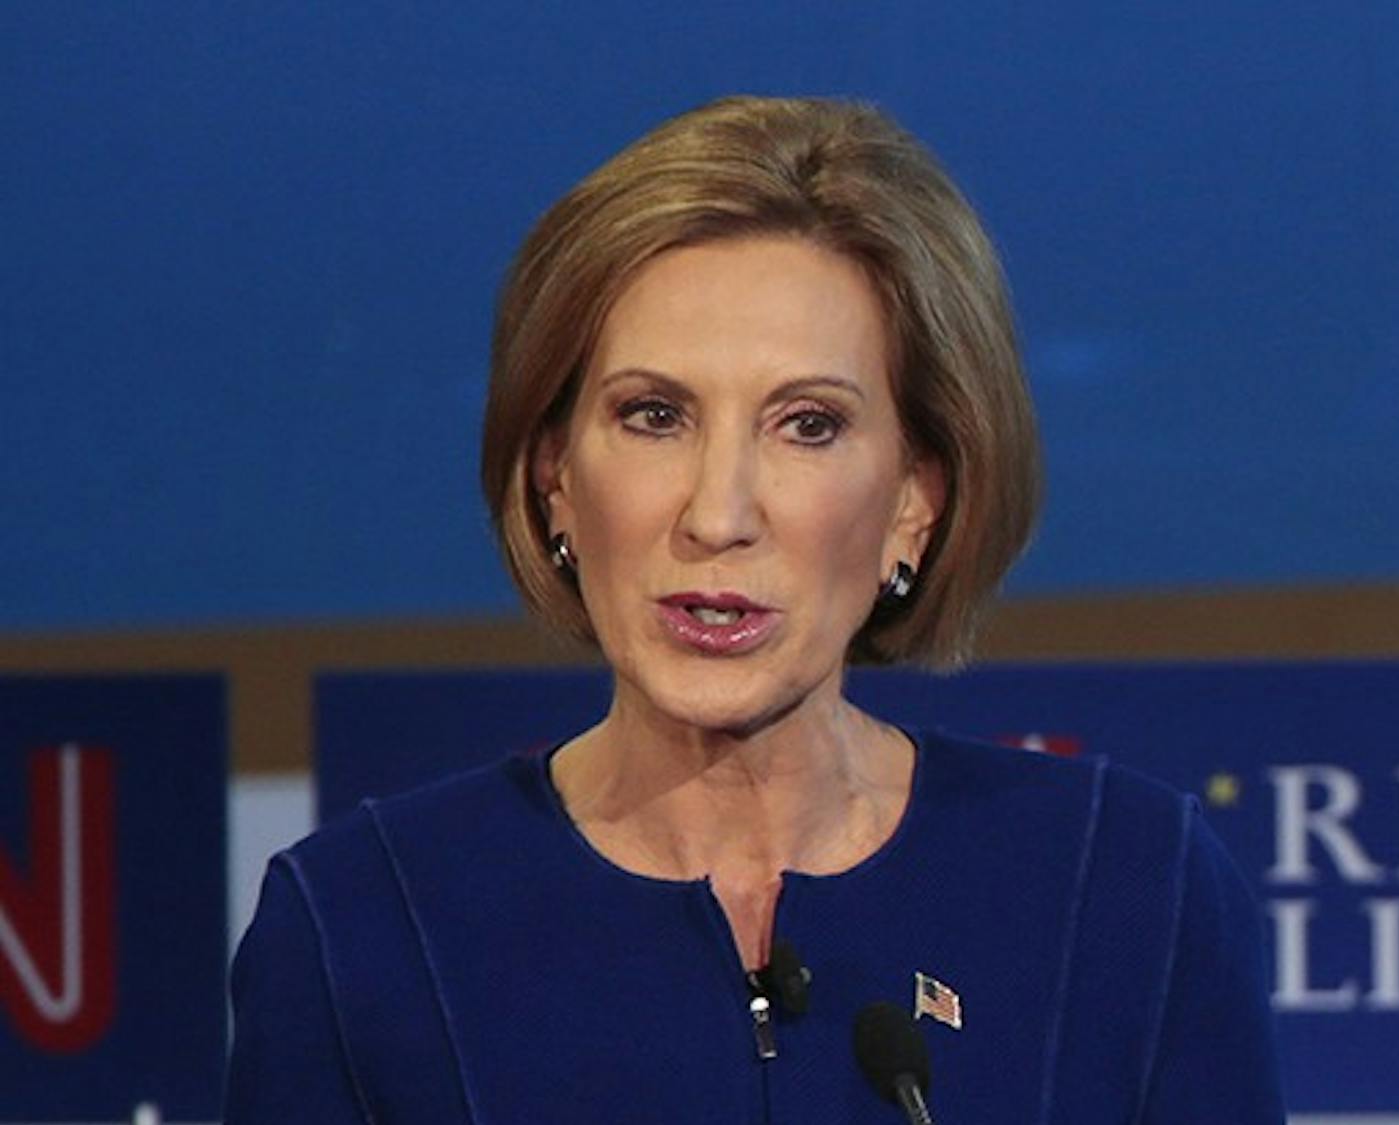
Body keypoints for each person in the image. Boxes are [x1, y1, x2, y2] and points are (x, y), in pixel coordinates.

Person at [225, 96, 1284, 1122]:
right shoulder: (366, 929)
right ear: (555, 478)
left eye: (808, 425)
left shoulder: (1128, 895)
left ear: (917, 500)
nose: (718, 513)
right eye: (653, 416)